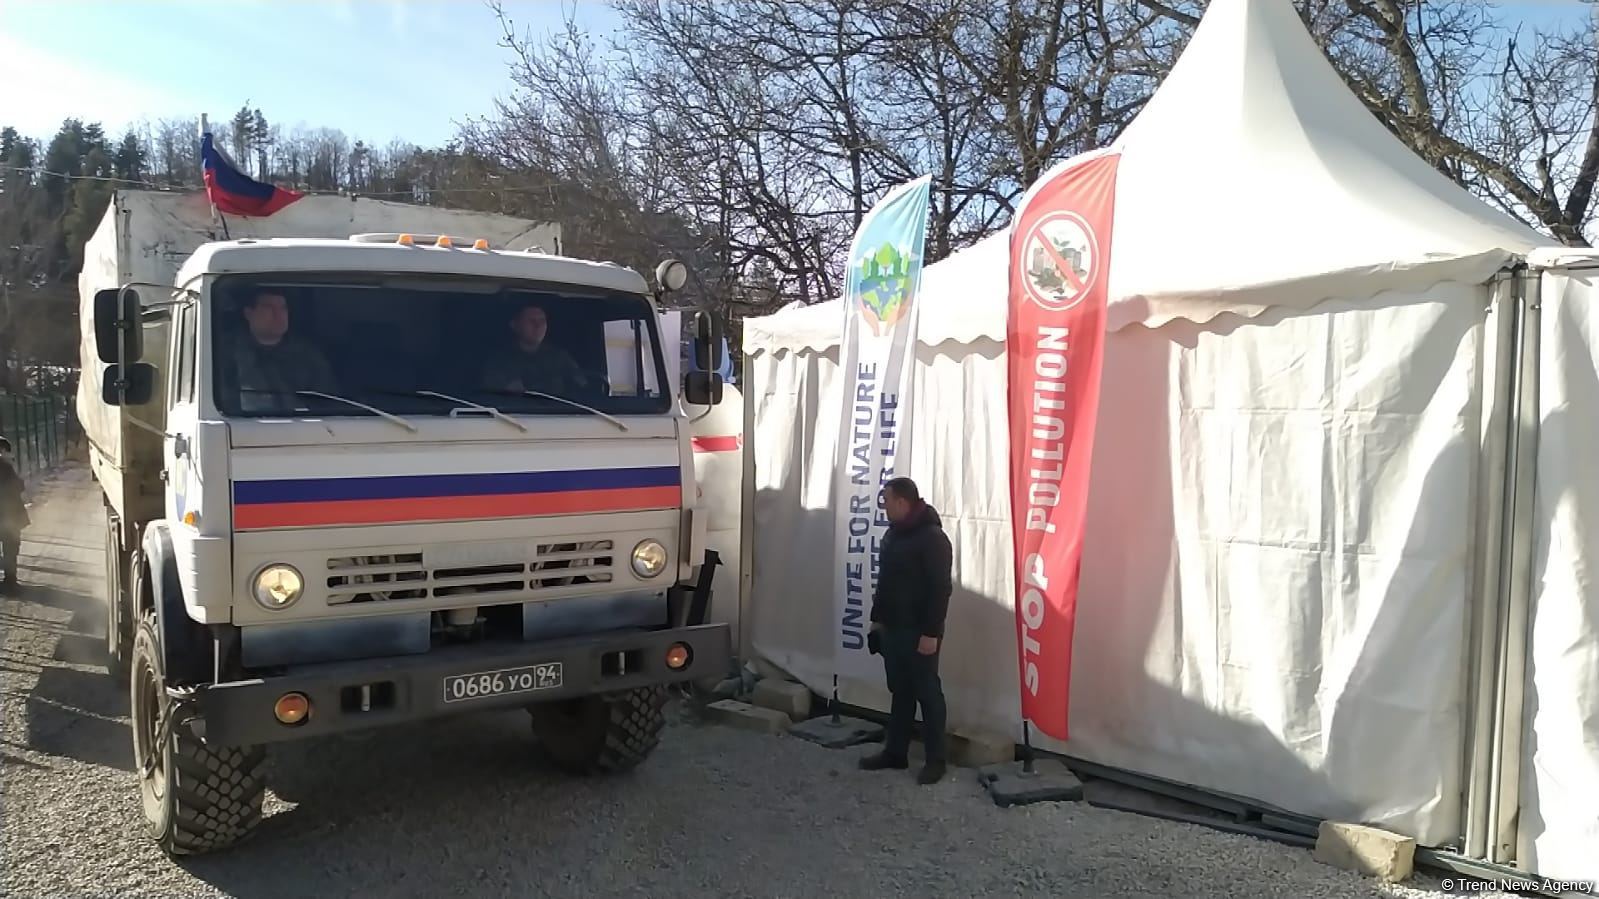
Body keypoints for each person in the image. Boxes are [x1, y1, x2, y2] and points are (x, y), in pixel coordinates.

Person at [859, 476, 954, 785]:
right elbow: (884, 583)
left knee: (928, 694)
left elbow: (941, 589)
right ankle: (895, 753)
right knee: (900, 691)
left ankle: (935, 760)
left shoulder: (932, 538)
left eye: (886, 501)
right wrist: (877, 620)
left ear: (902, 502)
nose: (883, 507)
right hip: (894, 629)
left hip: (920, 632)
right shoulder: (894, 535)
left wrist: (931, 632)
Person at [223, 289, 337, 412]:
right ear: (249, 313)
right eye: (269, 307)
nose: (278, 314)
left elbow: (328, 402)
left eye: (283, 308)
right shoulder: (226, 354)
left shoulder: (307, 355)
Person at [480, 301, 588, 396]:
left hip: (560, 413)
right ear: (515, 325)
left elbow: (582, 386)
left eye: (542, 321)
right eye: (531, 321)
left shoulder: (559, 357)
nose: (538, 325)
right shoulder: (500, 360)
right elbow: (491, 394)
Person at [0, 436, 29, 593]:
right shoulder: (5, 467)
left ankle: (10, 579)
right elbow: (18, 486)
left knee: (10, 546)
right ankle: (10, 580)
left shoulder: (6, 467)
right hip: (8, 515)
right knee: (10, 547)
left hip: (7, 515)